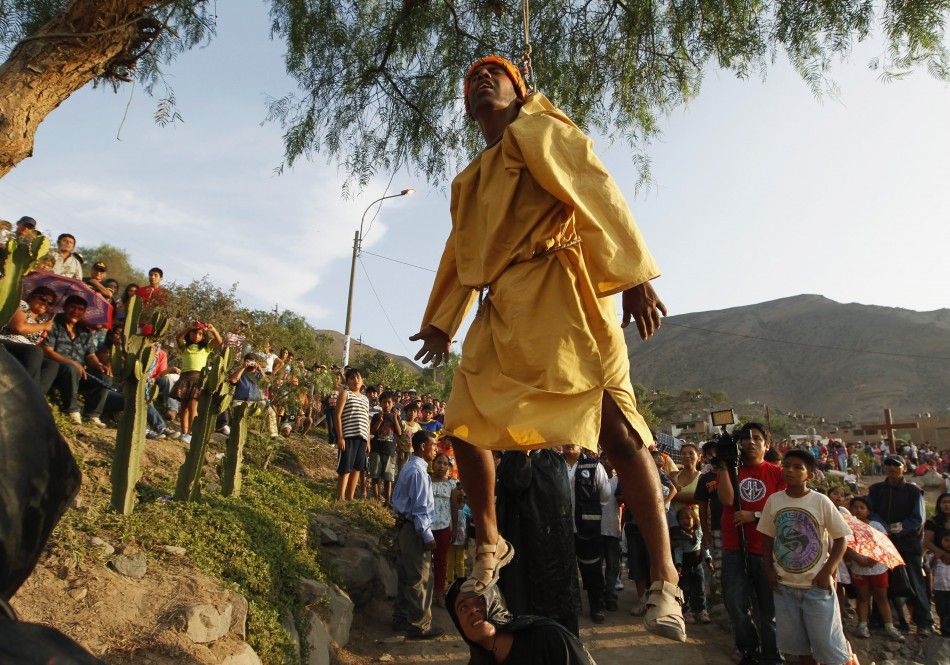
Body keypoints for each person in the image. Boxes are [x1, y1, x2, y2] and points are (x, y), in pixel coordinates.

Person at [410, 53, 682, 641]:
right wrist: (440, 321)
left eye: (495, 74)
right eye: (472, 78)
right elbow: (459, 251)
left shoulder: (544, 128)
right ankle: (489, 543)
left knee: (618, 433)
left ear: (519, 86)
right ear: (467, 107)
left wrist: (633, 275)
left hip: (564, 291)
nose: (482, 80)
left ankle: (664, 578)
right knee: (461, 423)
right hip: (501, 307)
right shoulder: (469, 180)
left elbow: (594, 189)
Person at [758, 450, 855, 665]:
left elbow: (842, 539)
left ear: (809, 475)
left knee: (829, 648)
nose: (790, 470)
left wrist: (827, 571)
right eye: (787, 465)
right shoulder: (774, 501)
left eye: (798, 467)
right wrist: (769, 569)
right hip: (784, 587)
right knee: (798, 648)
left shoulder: (820, 502)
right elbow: (767, 538)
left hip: (816, 588)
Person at [716, 422, 785, 665]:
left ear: (766, 446)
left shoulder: (777, 474)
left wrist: (753, 516)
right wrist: (723, 465)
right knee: (735, 603)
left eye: (757, 438)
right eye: (746, 438)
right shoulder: (732, 469)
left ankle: (772, 652)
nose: (751, 442)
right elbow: (726, 499)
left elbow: (783, 511)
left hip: (765, 549)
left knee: (767, 609)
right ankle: (747, 647)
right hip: (735, 548)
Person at [446, 579, 595, 665]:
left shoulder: (548, 637)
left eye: (480, 600)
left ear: (496, 603)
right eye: (463, 607)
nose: (473, 610)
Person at [868, 455, 933, 635]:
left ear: (903, 468)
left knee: (914, 581)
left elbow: (918, 518)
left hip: (908, 544)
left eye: (896, 465)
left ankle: (924, 622)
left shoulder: (913, 491)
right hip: (884, 542)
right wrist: (882, 527)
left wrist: (901, 527)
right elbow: (871, 512)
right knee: (882, 583)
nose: (891, 468)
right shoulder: (876, 489)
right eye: (888, 464)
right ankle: (881, 619)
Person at [391, 430, 444, 640]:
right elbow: (420, 509)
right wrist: (428, 536)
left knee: (406, 575)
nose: (435, 450)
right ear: (422, 446)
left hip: (407, 527)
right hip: (414, 529)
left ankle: (401, 617)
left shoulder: (412, 467)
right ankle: (420, 625)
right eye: (433, 445)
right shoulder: (418, 472)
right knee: (420, 578)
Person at [38, 295, 111, 427]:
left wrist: (99, 365)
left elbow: (90, 355)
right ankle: (72, 410)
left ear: (84, 312)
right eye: (72, 307)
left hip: (80, 372)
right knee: (71, 368)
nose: (75, 312)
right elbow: (47, 350)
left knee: (105, 378)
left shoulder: (85, 331)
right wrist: (72, 363)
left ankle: (92, 415)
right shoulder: (53, 323)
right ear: (65, 307)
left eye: (80, 309)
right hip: (59, 370)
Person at [847, 496, 905, 641]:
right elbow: (846, 545)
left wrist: (873, 559)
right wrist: (858, 558)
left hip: (878, 567)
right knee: (862, 597)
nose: (858, 510)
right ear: (850, 509)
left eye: (862, 507)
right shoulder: (848, 526)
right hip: (858, 567)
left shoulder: (876, 526)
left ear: (868, 511)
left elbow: (884, 543)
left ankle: (889, 626)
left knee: (882, 597)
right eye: (855, 507)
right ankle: (862, 625)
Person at [171, 321, 222, 443]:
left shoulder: (206, 348)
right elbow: (178, 337)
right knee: (183, 408)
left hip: (198, 380)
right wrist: (188, 328)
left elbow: (219, 341)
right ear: (189, 334)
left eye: (200, 334)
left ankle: (191, 433)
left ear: (203, 336)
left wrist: (213, 329)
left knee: (193, 406)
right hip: (184, 378)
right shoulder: (185, 347)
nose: (196, 336)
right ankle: (184, 433)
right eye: (194, 333)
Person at [0, 286, 56, 381]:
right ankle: (23, 389)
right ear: (31, 297)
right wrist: (44, 326)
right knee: (35, 351)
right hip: (7, 341)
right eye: (43, 299)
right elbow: (19, 328)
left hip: (27, 349)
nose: (45, 304)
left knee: (51, 365)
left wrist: (43, 334)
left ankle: (35, 394)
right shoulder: (22, 305)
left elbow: (35, 342)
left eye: (50, 303)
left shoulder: (44, 319)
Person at [670, 506, 712, 624]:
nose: (685, 521)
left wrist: (708, 559)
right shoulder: (680, 537)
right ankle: (686, 612)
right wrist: (678, 566)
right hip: (685, 568)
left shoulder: (698, 533)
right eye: (682, 519)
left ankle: (702, 611)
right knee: (685, 590)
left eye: (688, 518)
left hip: (698, 567)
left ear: (694, 519)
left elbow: (703, 548)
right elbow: (678, 552)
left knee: (700, 589)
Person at [334, 367, 370, 501]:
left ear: (362, 380)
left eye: (358, 378)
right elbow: (337, 415)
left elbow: (366, 420)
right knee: (345, 468)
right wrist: (340, 437)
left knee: (357, 468)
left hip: (362, 438)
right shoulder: (345, 394)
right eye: (352, 378)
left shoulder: (366, 399)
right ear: (347, 381)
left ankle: (350, 497)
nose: (356, 380)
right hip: (348, 436)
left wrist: (368, 441)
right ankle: (341, 497)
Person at [432, 452, 459, 605]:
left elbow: (454, 507)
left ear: (449, 467)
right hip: (426, 527)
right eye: (439, 462)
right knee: (424, 561)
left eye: (445, 464)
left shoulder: (452, 485)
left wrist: (454, 529)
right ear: (433, 463)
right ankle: (424, 591)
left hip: (443, 527)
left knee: (441, 561)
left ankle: (439, 593)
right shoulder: (426, 480)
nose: (441, 466)